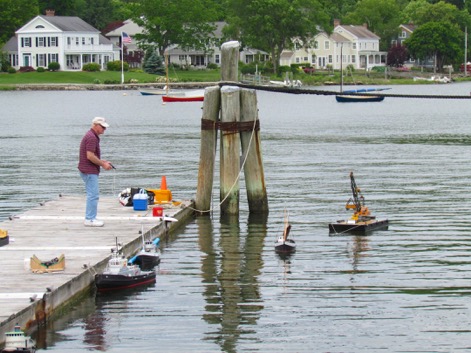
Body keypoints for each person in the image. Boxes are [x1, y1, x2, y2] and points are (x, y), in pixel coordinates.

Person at [78, 117, 113, 227]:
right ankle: (89, 219)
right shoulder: (92, 137)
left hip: (88, 169)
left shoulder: (91, 135)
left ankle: (91, 217)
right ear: (96, 125)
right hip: (89, 170)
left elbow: (91, 155)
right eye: (102, 127)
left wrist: (102, 161)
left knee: (93, 194)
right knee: (93, 195)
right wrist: (103, 164)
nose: (104, 129)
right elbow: (90, 156)